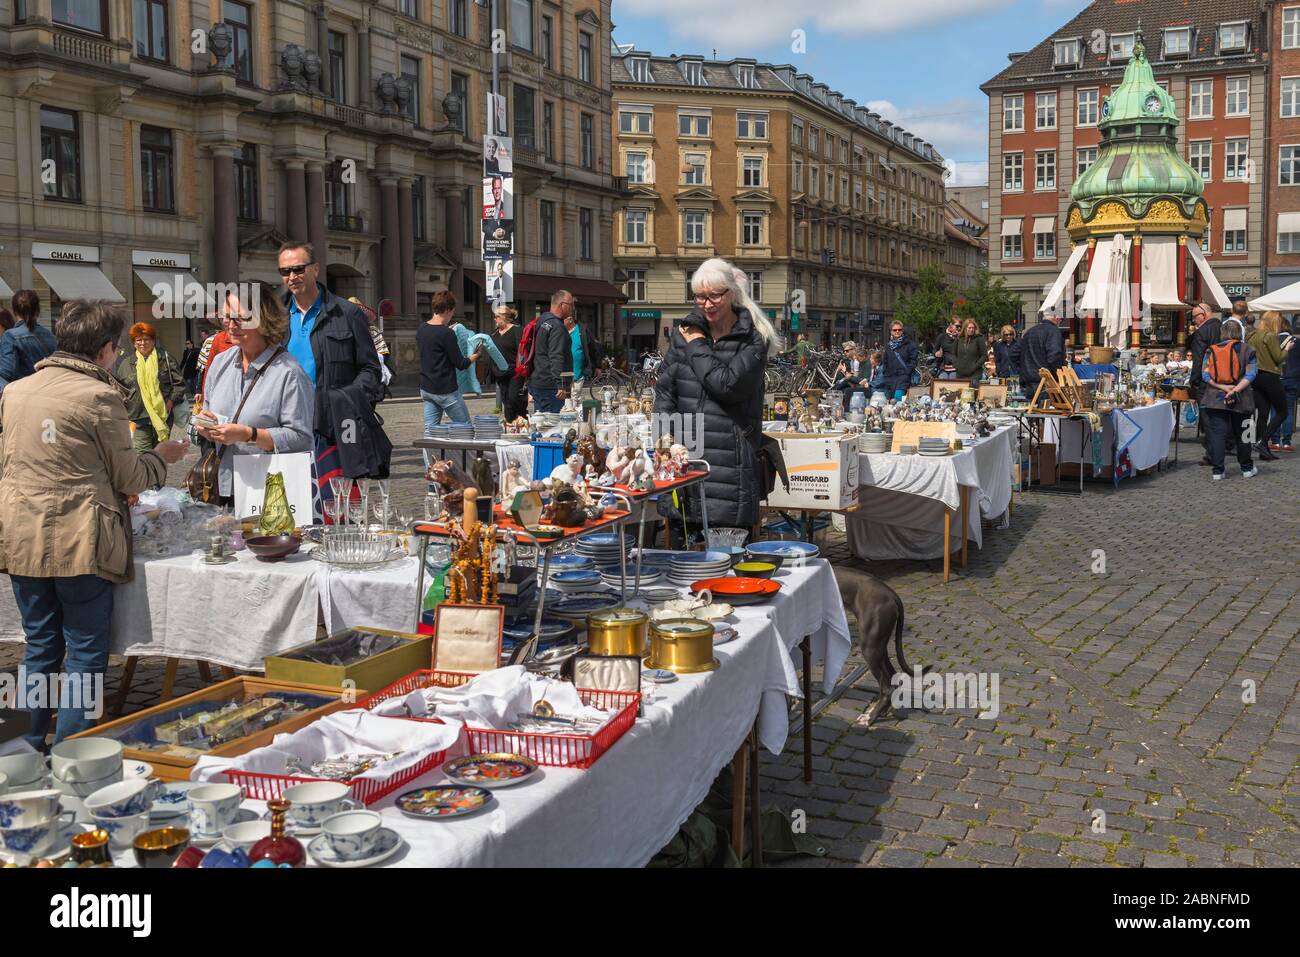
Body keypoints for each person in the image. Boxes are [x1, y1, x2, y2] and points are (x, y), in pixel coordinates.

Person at [0, 299, 188, 748]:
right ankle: (72, 753)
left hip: (22, 532)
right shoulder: (99, 395)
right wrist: (161, 457)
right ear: (104, 349)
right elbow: (130, 477)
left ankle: (22, 752)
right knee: (84, 650)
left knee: (41, 645)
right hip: (79, 538)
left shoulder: (16, 390)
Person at [653, 257, 777, 541]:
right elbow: (664, 390)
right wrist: (663, 441)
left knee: (727, 559)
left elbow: (727, 386)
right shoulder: (683, 333)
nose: (706, 304)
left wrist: (696, 343)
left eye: (714, 296)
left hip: (729, 465)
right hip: (686, 458)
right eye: (699, 297)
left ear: (731, 294)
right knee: (685, 562)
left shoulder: (754, 339)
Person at [278, 241, 391, 510]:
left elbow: (371, 370)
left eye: (298, 268)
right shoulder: (275, 316)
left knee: (335, 505)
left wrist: (343, 400)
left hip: (334, 427)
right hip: (285, 426)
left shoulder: (347, 313)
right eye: (285, 271)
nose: (292, 276)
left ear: (315, 269)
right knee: (289, 505)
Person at [196, 284, 314, 503]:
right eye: (226, 318)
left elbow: (302, 438)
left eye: (239, 319)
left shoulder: (289, 373)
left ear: (264, 320)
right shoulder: (221, 362)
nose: (230, 326)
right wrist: (205, 425)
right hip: (221, 486)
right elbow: (208, 411)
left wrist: (248, 434)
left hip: (268, 491)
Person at [111, 321, 185, 452]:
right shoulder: (127, 364)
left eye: (146, 339)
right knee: (142, 454)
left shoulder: (165, 359)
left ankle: (158, 472)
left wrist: (170, 401)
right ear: (133, 342)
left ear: (153, 341)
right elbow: (119, 389)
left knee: (161, 454)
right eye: (138, 340)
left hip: (162, 416)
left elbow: (179, 384)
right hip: (138, 417)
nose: (142, 343)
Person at [1200, 317, 1258, 480]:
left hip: (1215, 397)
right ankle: (1247, 468)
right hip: (1242, 397)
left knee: (1218, 434)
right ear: (1240, 332)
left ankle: (1218, 470)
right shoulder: (1249, 350)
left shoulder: (1211, 350)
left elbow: (1205, 374)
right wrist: (1235, 389)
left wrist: (1223, 387)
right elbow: (1251, 373)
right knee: (1244, 433)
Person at [418, 290, 480, 431]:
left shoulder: (422, 329)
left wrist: (446, 331)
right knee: (466, 428)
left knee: (430, 432)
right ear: (447, 310)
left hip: (426, 388)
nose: (452, 315)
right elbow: (460, 363)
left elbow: (434, 350)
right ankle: (468, 454)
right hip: (445, 390)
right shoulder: (447, 334)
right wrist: (475, 356)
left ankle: (429, 454)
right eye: (452, 312)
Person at [1247, 311, 1293, 461]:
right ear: (1274, 321)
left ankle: (1263, 451)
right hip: (1270, 376)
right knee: (1282, 412)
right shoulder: (1270, 336)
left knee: (1263, 413)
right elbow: (1278, 358)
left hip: (1256, 376)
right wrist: (1287, 348)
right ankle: (1262, 442)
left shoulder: (1253, 335)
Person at [0, 290, 57, 394]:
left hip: (21, 395)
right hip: (47, 392)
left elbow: (6, 373)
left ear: (14, 311)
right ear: (38, 310)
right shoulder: (50, 335)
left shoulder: (10, 336)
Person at [1187, 302, 1222, 464]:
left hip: (1205, 381)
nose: (1193, 320)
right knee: (1219, 418)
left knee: (1207, 419)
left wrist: (1193, 382)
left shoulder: (1202, 332)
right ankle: (1219, 450)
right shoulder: (1222, 327)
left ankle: (1213, 454)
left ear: (1205, 315)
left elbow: (1198, 360)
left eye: (1195, 316)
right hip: (1222, 380)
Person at [527, 290, 574, 413]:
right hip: (551, 385)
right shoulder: (557, 326)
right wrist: (561, 385)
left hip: (538, 379)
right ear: (562, 305)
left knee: (541, 422)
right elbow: (556, 355)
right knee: (553, 426)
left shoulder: (542, 321)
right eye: (571, 305)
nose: (573, 308)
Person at [491, 304, 526, 419]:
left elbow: (522, 351)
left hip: (515, 372)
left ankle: (522, 418)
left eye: (496, 317)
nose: (495, 319)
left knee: (513, 397)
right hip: (501, 373)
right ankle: (510, 424)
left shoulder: (517, 330)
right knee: (507, 401)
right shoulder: (495, 334)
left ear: (504, 317)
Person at [195, 313, 237, 404]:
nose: (225, 321)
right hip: (223, 392)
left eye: (229, 317)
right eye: (223, 318)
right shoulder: (215, 340)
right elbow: (206, 370)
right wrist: (200, 392)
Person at [1018, 312, 1066, 389]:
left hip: (1028, 381)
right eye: (1061, 319)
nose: (1060, 321)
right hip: (1045, 381)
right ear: (1056, 317)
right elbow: (1054, 356)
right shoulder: (1053, 331)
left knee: (1032, 401)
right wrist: (1058, 377)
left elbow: (1017, 353)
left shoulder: (1029, 332)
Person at [1276, 316, 1300, 453]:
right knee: (1289, 410)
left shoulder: (1273, 340)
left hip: (1277, 379)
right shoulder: (1298, 342)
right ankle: (1286, 442)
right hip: (1293, 379)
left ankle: (1274, 441)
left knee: (1275, 410)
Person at [564, 307, 596, 399]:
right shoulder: (560, 331)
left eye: (563, 319)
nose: (561, 322)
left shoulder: (582, 330)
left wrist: (597, 366)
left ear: (570, 320)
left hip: (578, 375)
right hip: (563, 377)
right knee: (564, 404)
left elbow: (592, 348)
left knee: (574, 401)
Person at [881, 321, 918, 399]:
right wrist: (886, 373)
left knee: (898, 399)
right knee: (890, 401)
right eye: (895, 330)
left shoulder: (910, 344)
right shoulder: (888, 346)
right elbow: (885, 361)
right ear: (891, 331)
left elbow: (913, 361)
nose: (897, 331)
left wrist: (907, 372)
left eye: (899, 329)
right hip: (890, 378)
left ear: (902, 330)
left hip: (903, 377)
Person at [946, 318, 988, 382]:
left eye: (973, 328)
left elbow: (984, 355)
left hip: (974, 374)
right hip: (960, 374)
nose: (971, 330)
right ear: (965, 328)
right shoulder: (959, 339)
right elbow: (952, 354)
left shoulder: (979, 339)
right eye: (969, 328)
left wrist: (975, 366)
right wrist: (956, 365)